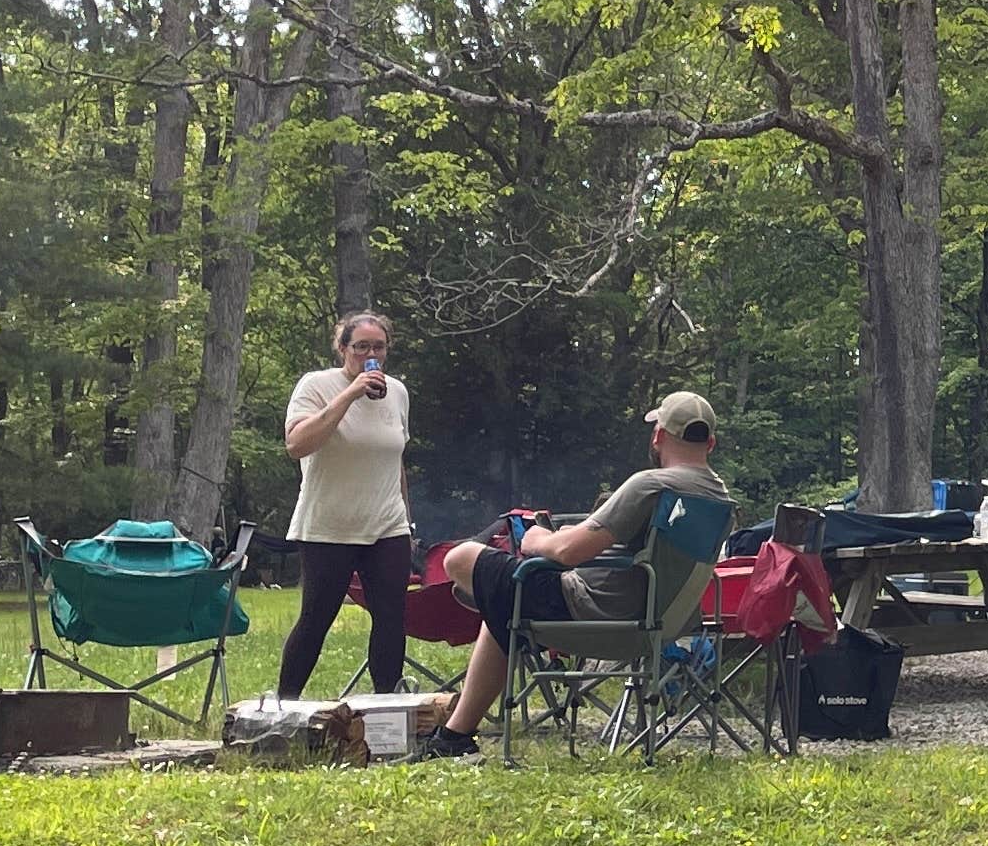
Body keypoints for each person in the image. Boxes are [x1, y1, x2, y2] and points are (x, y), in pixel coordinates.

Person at [422, 391, 735, 756]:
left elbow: (569, 551)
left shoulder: (651, 485)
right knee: (504, 605)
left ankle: (457, 726)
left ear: (658, 436)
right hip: (658, 626)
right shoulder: (721, 500)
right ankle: (455, 737)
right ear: (710, 442)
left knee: (460, 559)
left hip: (591, 612)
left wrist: (537, 538)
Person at [278, 311, 413, 699]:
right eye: (361, 347)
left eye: (379, 347)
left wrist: (409, 520)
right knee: (317, 617)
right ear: (343, 349)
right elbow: (297, 445)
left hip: (387, 524)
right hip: (328, 525)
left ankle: (387, 709)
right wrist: (350, 393)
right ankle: (285, 706)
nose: (371, 354)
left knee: (390, 618)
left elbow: (395, 458)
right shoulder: (317, 385)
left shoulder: (398, 393)